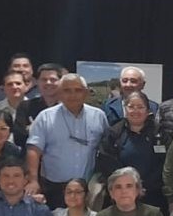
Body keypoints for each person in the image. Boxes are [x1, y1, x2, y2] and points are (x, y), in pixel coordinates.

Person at [24, 74, 109, 209]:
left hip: (88, 187)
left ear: (86, 93)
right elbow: (34, 149)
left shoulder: (98, 116)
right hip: (55, 187)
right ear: (59, 93)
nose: (72, 95)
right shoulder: (46, 117)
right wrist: (33, 180)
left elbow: (106, 148)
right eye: (67, 90)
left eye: (77, 90)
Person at [95, 92, 170, 211]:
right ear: (125, 109)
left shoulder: (159, 133)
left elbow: (166, 163)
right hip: (120, 195)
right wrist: (127, 186)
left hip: (153, 196)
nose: (136, 111)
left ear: (148, 110)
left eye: (140, 107)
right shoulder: (114, 133)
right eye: (131, 107)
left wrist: (141, 187)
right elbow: (106, 161)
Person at [14, 63, 66, 146]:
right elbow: (18, 138)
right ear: (37, 82)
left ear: (61, 82)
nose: (48, 83)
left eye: (53, 79)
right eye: (44, 79)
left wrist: (34, 130)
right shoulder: (25, 106)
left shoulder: (68, 108)